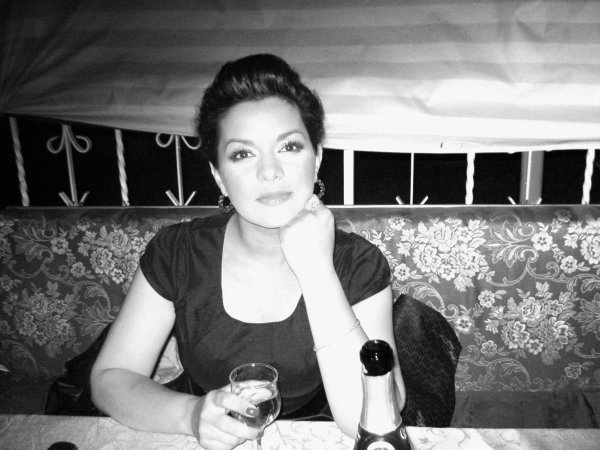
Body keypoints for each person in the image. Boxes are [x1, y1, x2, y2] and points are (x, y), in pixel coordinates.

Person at [90, 53, 405, 449]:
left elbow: (365, 419)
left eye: (289, 146)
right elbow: (111, 378)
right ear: (219, 176)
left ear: (317, 159)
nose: (269, 172)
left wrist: (317, 271)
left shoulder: (358, 263)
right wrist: (190, 415)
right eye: (242, 153)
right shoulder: (178, 252)